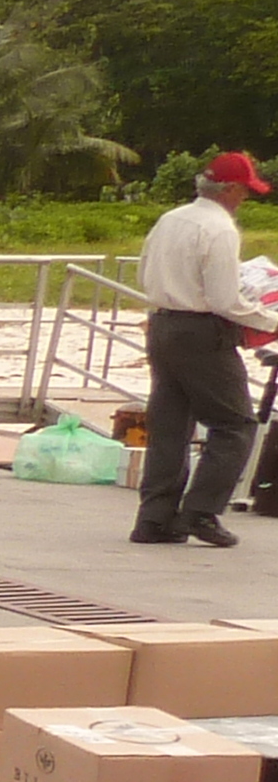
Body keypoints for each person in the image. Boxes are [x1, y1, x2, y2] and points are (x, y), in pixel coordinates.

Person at [132, 151, 278, 547]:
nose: (245, 199)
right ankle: (201, 511)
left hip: (162, 323)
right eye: (245, 191)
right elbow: (224, 299)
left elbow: (143, 273)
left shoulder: (171, 219)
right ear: (229, 189)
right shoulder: (220, 229)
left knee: (170, 424)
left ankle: (154, 518)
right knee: (235, 425)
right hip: (201, 332)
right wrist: (269, 321)